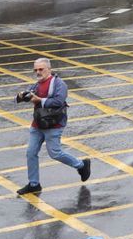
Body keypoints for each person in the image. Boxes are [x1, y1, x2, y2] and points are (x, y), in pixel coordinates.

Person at [16, 57, 88, 194]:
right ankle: (34, 184)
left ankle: (81, 165)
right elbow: (26, 96)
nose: (38, 72)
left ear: (49, 69)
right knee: (31, 153)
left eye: (41, 69)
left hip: (54, 124)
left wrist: (39, 100)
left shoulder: (59, 84)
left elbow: (59, 101)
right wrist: (20, 96)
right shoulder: (36, 85)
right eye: (36, 70)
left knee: (55, 153)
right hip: (38, 124)